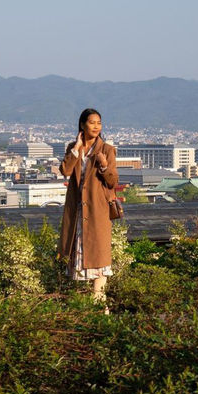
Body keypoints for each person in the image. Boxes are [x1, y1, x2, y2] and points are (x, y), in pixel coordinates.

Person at [58, 108, 119, 306]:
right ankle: (84, 307)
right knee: (77, 256)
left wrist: (103, 166)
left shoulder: (107, 150)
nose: (96, 126)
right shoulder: (73, 148)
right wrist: (76, 148)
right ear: (82, 125)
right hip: (77, 211)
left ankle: (100, 304)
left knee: (99, 257)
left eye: (99, 123)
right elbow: (65, 171)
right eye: (92, 122)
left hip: (97, 209)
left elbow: (112, 182)